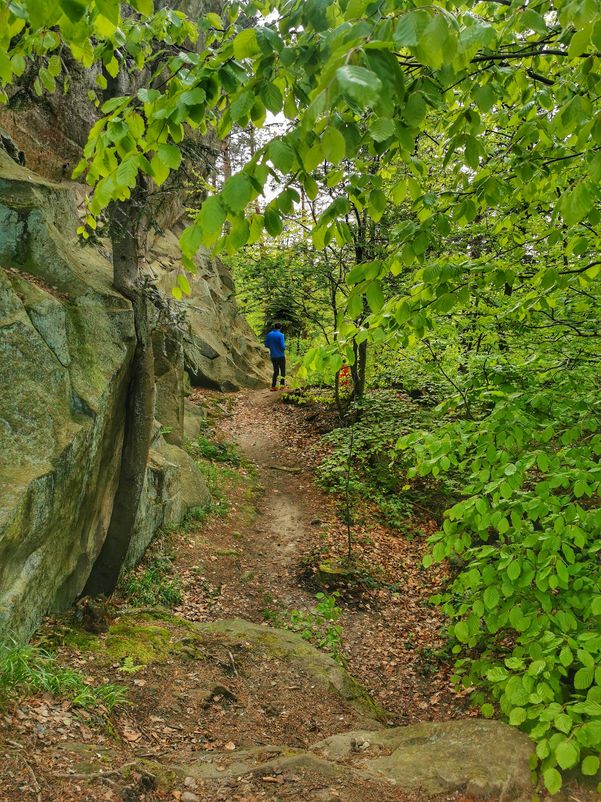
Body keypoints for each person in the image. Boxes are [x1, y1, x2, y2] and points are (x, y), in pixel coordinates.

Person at [264, 322, 286, 391]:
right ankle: (282, 386)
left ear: (274, 327)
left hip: (273, 356)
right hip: (281, 356)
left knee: (275, 371)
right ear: (280, 327)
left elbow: (266, 345)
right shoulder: (281, 335)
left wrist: (272, 347)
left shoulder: (269, 334)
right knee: (282, 371)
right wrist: (284, 348)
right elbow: (282, 346)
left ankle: (273, 386)